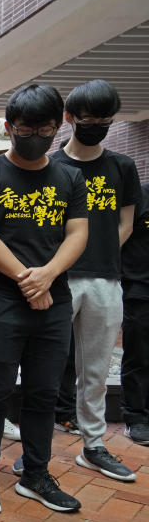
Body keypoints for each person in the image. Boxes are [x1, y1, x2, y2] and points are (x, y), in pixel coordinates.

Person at [0, 83, 88, 514]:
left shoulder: (69, 177)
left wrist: (48, 277)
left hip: (53, 303)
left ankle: (36, 474)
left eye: (45, 128)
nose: (34, 135)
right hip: (1, 300)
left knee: (44, 392)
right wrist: (25, 280)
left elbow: (77, 234)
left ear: (59, 126)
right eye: (25, 127)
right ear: (10, 126)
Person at [49, 79, 139, 480]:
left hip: (105, 279)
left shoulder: (122, 166)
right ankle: (37, 447)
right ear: (69, 118)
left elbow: (126, 222)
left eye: (105, 119)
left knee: (97, 369)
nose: (96, 125)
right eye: (88, 118)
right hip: (59, 279)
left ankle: (94, 445)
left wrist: (98, 252)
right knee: (46, 366)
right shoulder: (52, 166)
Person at [121, 183, 149, 445]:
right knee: (139, 354)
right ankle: (136, 417)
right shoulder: (139, 195)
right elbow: (120, 238)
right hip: (140, 289)